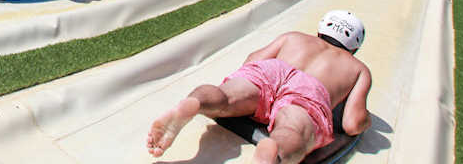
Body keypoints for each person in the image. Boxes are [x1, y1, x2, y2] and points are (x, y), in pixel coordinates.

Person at [146, 11, 372, 164]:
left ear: (320, 31)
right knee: (293, 130)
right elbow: (352, 123)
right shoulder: (358, 68)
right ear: (354, 48)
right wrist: (366, 120)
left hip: (273, 70)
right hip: (309, 91)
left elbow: (251, 61)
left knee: (225, 97)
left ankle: (195, 103)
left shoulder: (294, 37)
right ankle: (274, 150)